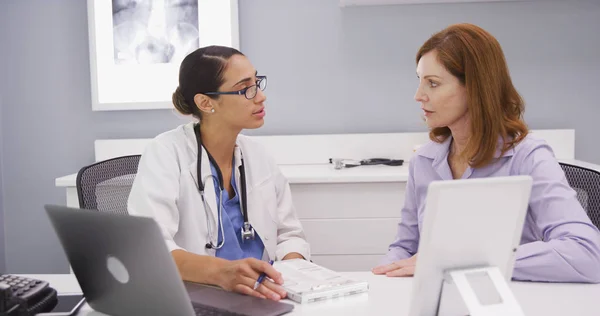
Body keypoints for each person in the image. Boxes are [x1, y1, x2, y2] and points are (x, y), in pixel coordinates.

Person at [372, 23, 600, 283]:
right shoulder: (423, 161)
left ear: (476, 88)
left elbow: (586, 254)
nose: (418, 96)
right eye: (419, 81)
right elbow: (405, 247)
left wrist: (461, 262)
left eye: (433, 84)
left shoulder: (528, 157)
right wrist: (381, 280)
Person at [128, 45, 310, 301]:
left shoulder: (259, 156)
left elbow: (289, 235)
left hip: (267, 299)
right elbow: (151, 248)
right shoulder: (167, 153)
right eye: (245, 88)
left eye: (257, 83)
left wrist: (291, 277)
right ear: (205, 102)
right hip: (196, 298)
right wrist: (222, 272)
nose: (260, 96)